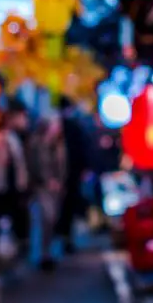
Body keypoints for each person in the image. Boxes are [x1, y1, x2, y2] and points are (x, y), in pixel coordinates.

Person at [0, 100, 30, 257]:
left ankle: (18, 243)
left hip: (12, 184)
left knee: (16, 213)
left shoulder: (14, 138)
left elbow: (19, 162)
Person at [27, 115, 67, 270]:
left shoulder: (58, 145)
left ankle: (49, 252)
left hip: (55, 188)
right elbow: (35, 167)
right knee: (45, 218)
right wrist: (47, 180)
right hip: (42, 187)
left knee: (52, 219)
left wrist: (59, 181)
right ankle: (42, 254)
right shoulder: (37, 145)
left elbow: (63, 166)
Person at [56, 97, 92, 254]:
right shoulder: (73, 126)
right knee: (68, 207)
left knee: (62, 208)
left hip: (62, 175)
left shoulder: (60, 127)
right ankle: (66, 239)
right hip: (70, 174)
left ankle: (62, 238)